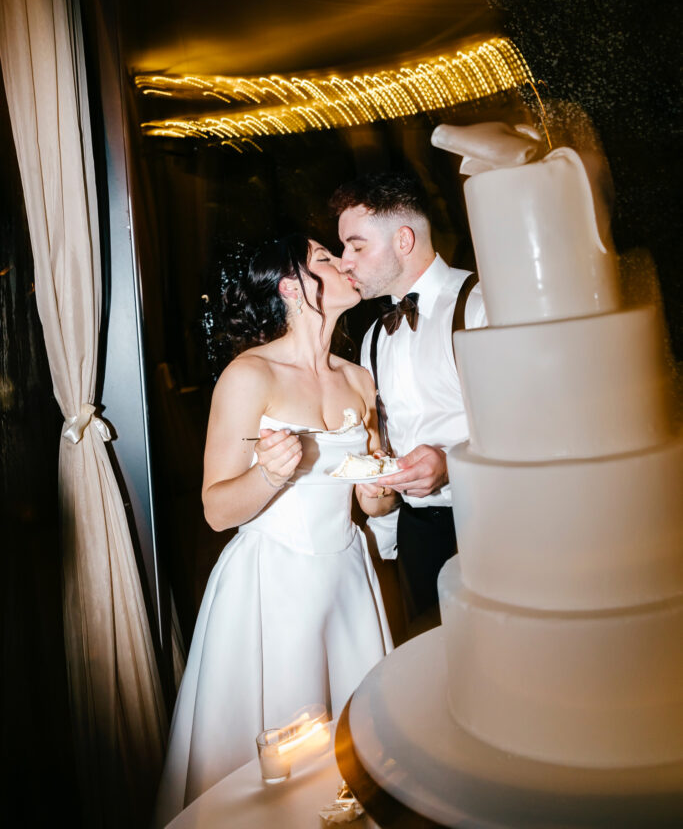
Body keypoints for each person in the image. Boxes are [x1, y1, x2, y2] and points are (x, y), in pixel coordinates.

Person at [153, 234, 395, 827]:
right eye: (325, 260)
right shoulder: (249, 376)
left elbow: (376, 499)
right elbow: (215, 508)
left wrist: (381, 493)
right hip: (270, 589)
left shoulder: (360, 380)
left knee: (354, 757)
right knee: (276, 774)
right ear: (291, 287)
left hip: (346, 582)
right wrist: (268, 474)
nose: (344, 266)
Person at [329, 170, 487, 638]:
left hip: (490, 525)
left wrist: (450, 461)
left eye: (356, 246)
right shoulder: (374, 336)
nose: (344, 262)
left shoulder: (480, 306)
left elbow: (532, 426)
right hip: (420, 536)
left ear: (403, 239)